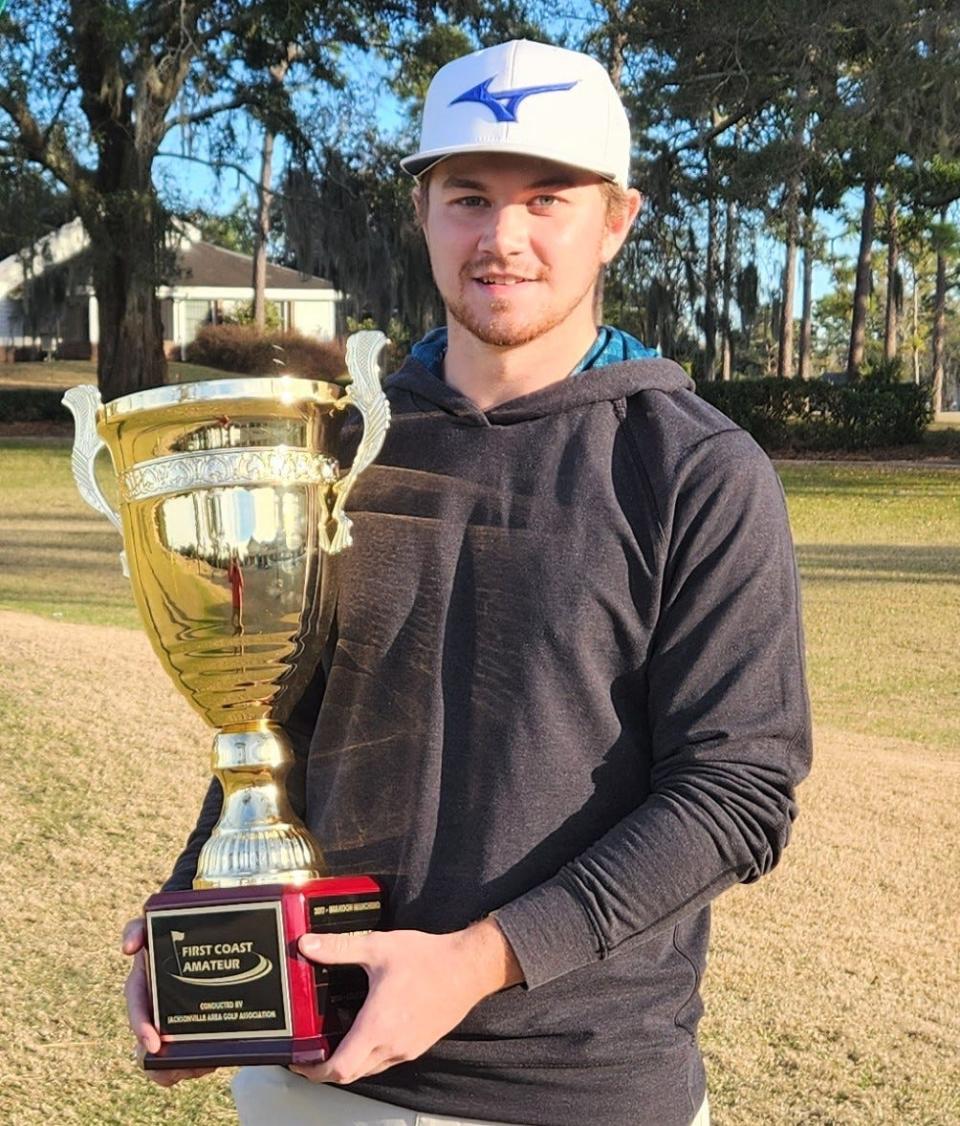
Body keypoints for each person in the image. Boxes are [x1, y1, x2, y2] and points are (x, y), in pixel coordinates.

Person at [123, 38, 811, 1126]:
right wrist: (198, 922)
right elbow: (265, 713)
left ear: (616, 220)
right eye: (469, 197)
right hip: (314, 1070)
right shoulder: (331, 448)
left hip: (573, 1086)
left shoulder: (696, 470)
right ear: (423, 211)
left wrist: (480, 960)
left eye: (549, 198)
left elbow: (737, 794)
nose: (505, 238)